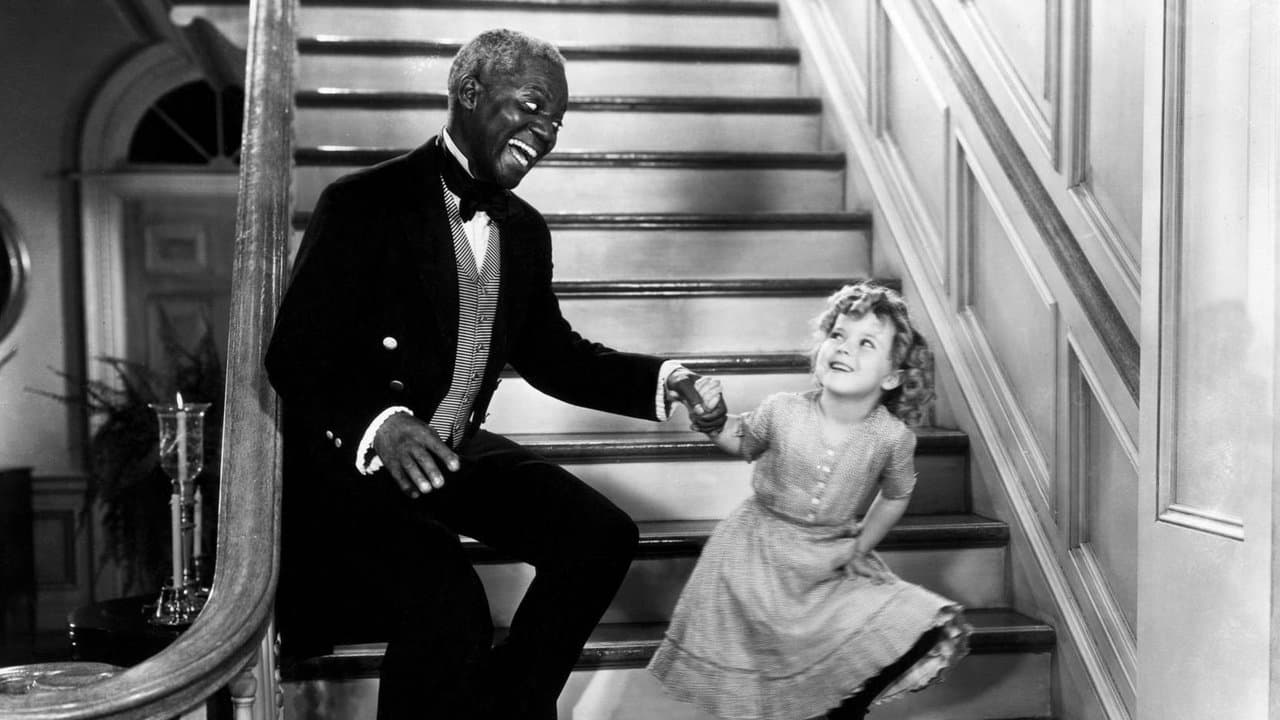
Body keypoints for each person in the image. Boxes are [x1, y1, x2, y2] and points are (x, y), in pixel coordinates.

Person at [265, 29, 723, 720]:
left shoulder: (526, 231)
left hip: (449, 450)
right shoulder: (363, 202)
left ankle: (509, 709)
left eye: (557, 122)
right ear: (470, 92)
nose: (546, 132)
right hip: (355, 467)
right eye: (532, 106)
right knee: (448, 604)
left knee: (599, 536)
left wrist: (664, 377)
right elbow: (295, 352)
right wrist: (381, 423)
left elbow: (552, 355)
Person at [648, 281, 971, 719]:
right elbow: (740, 438)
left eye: (866, 343)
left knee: (922, 620)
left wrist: (861, 546)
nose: (844, 348)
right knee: (768, 662)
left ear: (893, 376)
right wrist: (711, 418)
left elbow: (896, 495)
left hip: (827, 556)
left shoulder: (892, 437)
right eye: (837, 335)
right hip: (753, 557)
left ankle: (843, 711)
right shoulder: (783, 409)